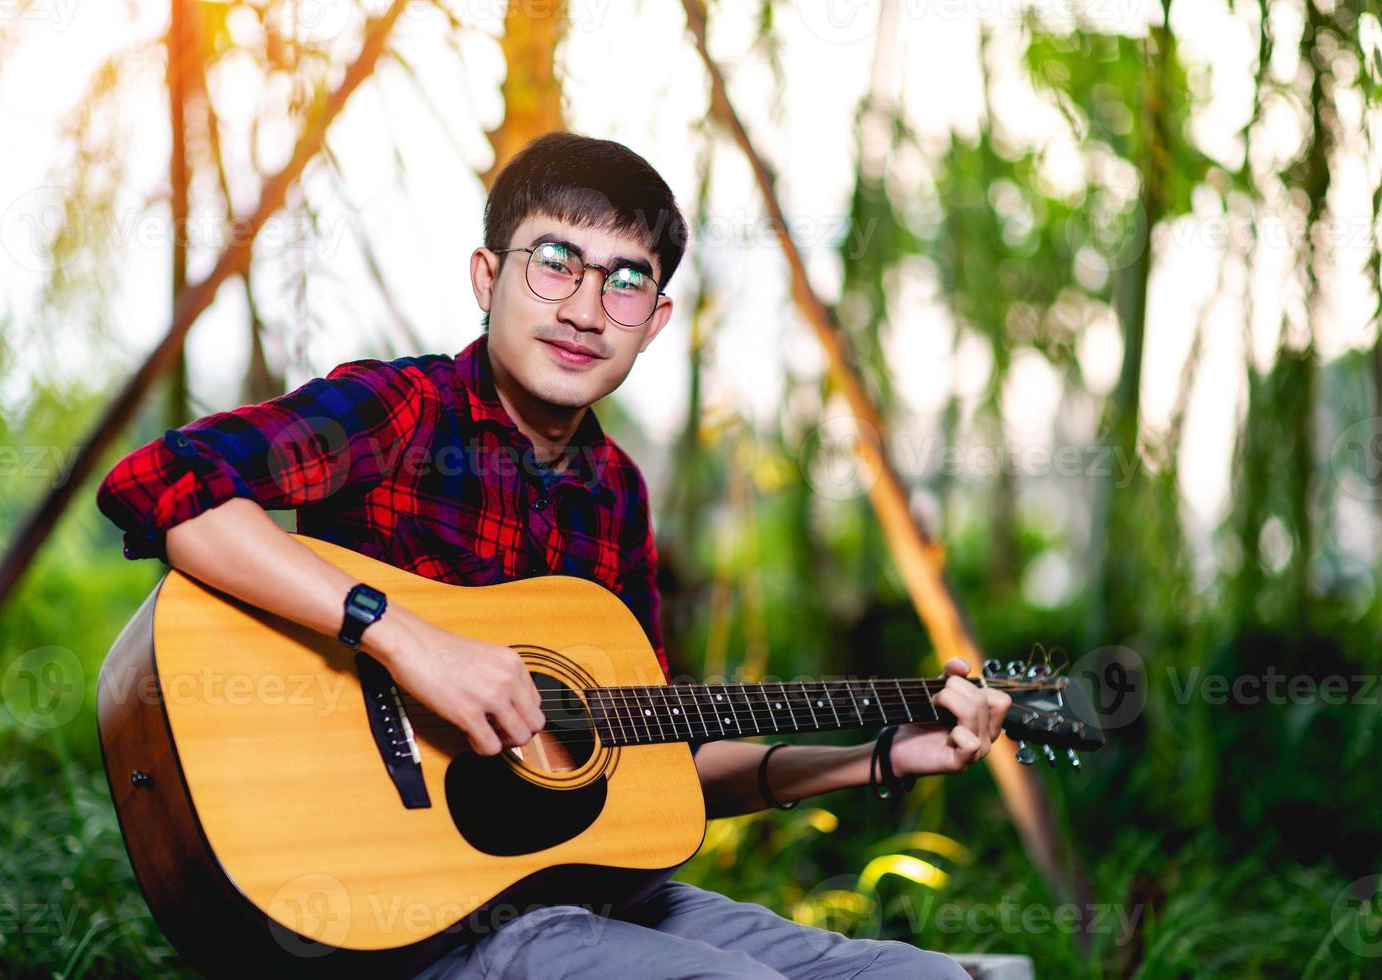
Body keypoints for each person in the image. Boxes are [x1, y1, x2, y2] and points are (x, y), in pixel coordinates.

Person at [97, 131, 1007, 979]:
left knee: (917, 973)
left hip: (581, 890)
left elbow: (656, 757)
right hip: (407, 909)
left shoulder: (615, 490)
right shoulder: (402, 409)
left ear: (653, 320)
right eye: (554, 265)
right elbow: (161, 482)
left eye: (622, 282)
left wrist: (879, 757)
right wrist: (408, 641)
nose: (582, 311)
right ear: (487, 276)